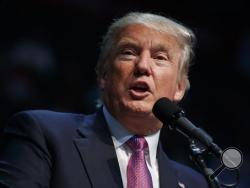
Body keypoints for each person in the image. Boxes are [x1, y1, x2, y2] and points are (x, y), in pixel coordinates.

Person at [0, 12, 209, 188]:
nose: (143, 66)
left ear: (180, 87)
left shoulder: (194, 183)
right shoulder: (44, 135)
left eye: (160, 58)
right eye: (128, 53)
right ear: (103, 75)